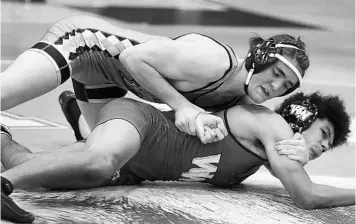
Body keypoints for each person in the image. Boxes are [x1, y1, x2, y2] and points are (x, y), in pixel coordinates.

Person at [1, 91, 353, 223]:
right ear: (302, 117)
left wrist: (300, 154)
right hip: (142, 125)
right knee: (99, 160)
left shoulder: (272, 155)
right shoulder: (270, 123)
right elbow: (306, 196)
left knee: (27, 169)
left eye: (328, 145)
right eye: (323, 134)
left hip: (134, 168)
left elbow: (293, 178)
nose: (322, 147)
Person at [1, 15, 310, 142]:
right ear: (259, 59)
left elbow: (262, 138)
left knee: (105, 159)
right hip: (80, 43)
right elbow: (131, 58)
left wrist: (295, 146)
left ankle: (76, 113)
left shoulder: (241, 96)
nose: (275, 87)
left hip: (108, 79)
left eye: (286, 87)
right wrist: (184, 106)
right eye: (277, 74)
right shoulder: (212, 60)